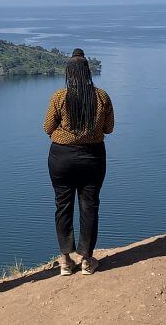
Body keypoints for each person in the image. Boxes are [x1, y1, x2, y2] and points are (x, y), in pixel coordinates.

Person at [43, 50, 114, 275]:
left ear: (69, 73)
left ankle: (65, 260)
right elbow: (109, 128)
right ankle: (86, 260)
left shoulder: (59, 97)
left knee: (62, 205)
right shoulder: (101, 96)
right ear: (88, 72)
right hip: (92, 157)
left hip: (61, 157)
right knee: (89, 205)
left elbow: (47, 128)